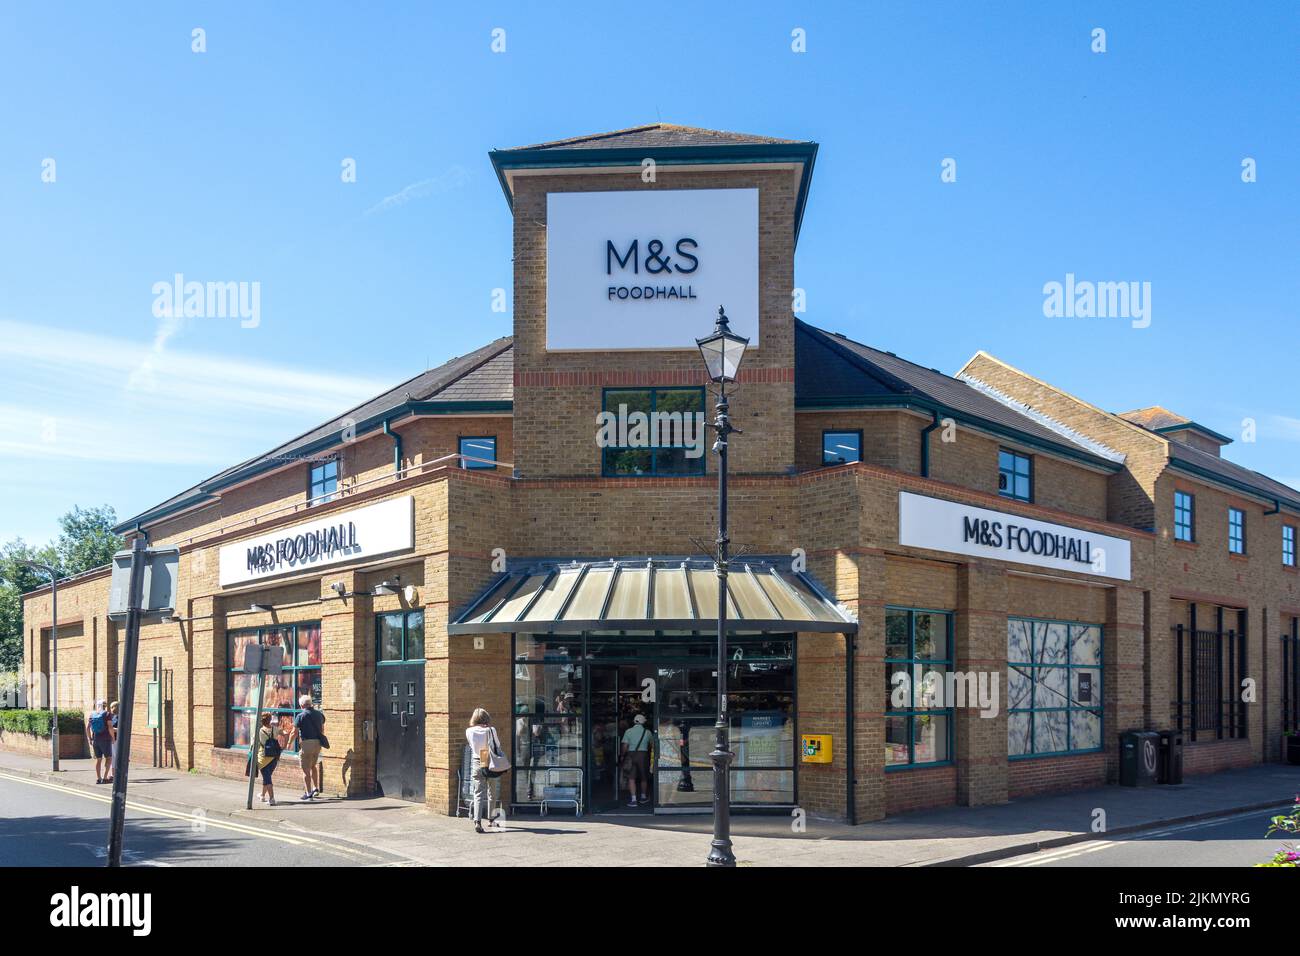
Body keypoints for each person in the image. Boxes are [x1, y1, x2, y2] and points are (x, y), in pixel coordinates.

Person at [465, 708, 503, 833]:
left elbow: (471, 746)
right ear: (486, 718)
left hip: (477, 760)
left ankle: (477, 821)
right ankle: (491, 819)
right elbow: (497, 745)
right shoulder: (491, 730)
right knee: (492, 792)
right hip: (490, 760)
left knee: (478, 793)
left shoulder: (469, 731)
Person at [292, 695, 326, 800]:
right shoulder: (320, 715)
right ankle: (316, 788)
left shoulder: (300, 716)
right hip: (317, 744)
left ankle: (308, 793)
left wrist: (289, 743)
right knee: (313, 766)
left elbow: (295, 732)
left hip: (307, 744)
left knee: (305, 769)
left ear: (302, 705)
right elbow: (322, 728)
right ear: (310, 704)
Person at [620, 712, 653, 807]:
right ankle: (643, 797)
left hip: (631, 755)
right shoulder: (647, 732)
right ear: (643, 722)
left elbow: (625, 746)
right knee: (644, 777)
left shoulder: (628, 731)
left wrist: (622, 755)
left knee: (631, 778)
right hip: (643, 755)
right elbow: (653, 745)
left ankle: (633, 799)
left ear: (634, 721)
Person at [255, 713, 284, 805]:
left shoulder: (259, 731)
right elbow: (285, 733)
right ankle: (262, 795)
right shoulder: (275, 729)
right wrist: (284, 746)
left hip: (263, 758)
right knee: (267, 777)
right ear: (270, 720)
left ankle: (272, 799)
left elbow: (254, 745)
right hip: (274, 758)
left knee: (267, 779)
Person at [86, 700, 114, 784]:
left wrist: (90, 738)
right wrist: (112, 737)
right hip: (105, 739)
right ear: (105, 706)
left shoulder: (92, 714)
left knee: (98, 759)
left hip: (95, 739)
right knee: (108, 758)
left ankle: (98, 778)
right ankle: (105, 778)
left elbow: (87, 728)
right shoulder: (107, 714)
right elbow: (110, 727)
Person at [106, 701, 120, 784]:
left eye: (111, 707)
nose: (110, 709)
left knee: (114, 757)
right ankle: (112, 774)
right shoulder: (112, 716)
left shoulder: (119, 717)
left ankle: (114, 775)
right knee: (112, 757)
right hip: (112, 739)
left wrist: (110, 729)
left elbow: (121, 729)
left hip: (116, 739)